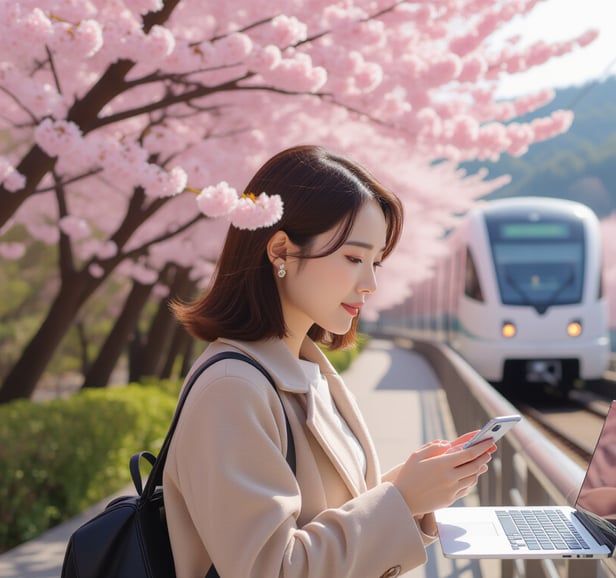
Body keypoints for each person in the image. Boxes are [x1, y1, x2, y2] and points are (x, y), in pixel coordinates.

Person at [166, 145, 495, 578]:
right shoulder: (233, 387)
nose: (371, 283)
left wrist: (408, 490)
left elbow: (320, 517)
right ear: (280, 251)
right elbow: (270, 570)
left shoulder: (304, 367)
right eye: (354, 258)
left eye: (376, 262)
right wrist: (401, 501)